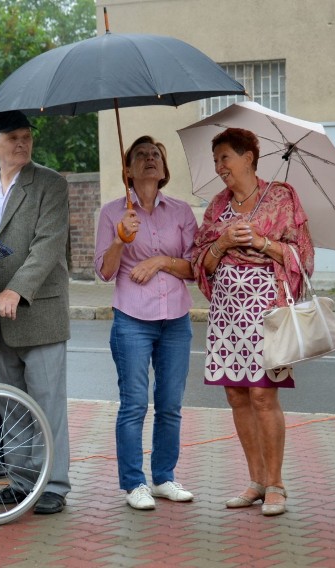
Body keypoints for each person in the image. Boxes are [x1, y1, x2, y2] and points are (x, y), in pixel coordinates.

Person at [190, 127, 314, 517]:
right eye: (215, 160)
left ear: (248, 157)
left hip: (267, 308)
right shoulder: (216, 207)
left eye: (225, 158)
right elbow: (201, 263)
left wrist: (260, 243)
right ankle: (256, 481)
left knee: (263, 394)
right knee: (236, 394)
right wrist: (223, 243)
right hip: (227, 312)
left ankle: (276, 484)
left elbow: (303, 255)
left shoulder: (281, 197)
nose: (219, 167)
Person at [0, 110, 71, 514]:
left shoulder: (50, 184)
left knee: (47, 405)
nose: (22, 143)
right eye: (13, 138)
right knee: (12, 408)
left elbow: (47, 247)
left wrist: (15, 291)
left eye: (27, 136)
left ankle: (54, 484)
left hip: (38, 313)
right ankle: (23, 482)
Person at [94, 135, 197, 510]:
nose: (150, 159)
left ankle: (165, 477)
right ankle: (134, 483)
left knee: (170, 404)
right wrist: (121, 239)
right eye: (140, 155)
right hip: (132, 320)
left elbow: (195, 268)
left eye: (156, 155)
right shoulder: (111, 213)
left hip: (176, 320)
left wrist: (159, 262)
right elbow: (105, 272)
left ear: (164, 168)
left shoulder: (182, 212)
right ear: (128, 170)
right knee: (134, 404)